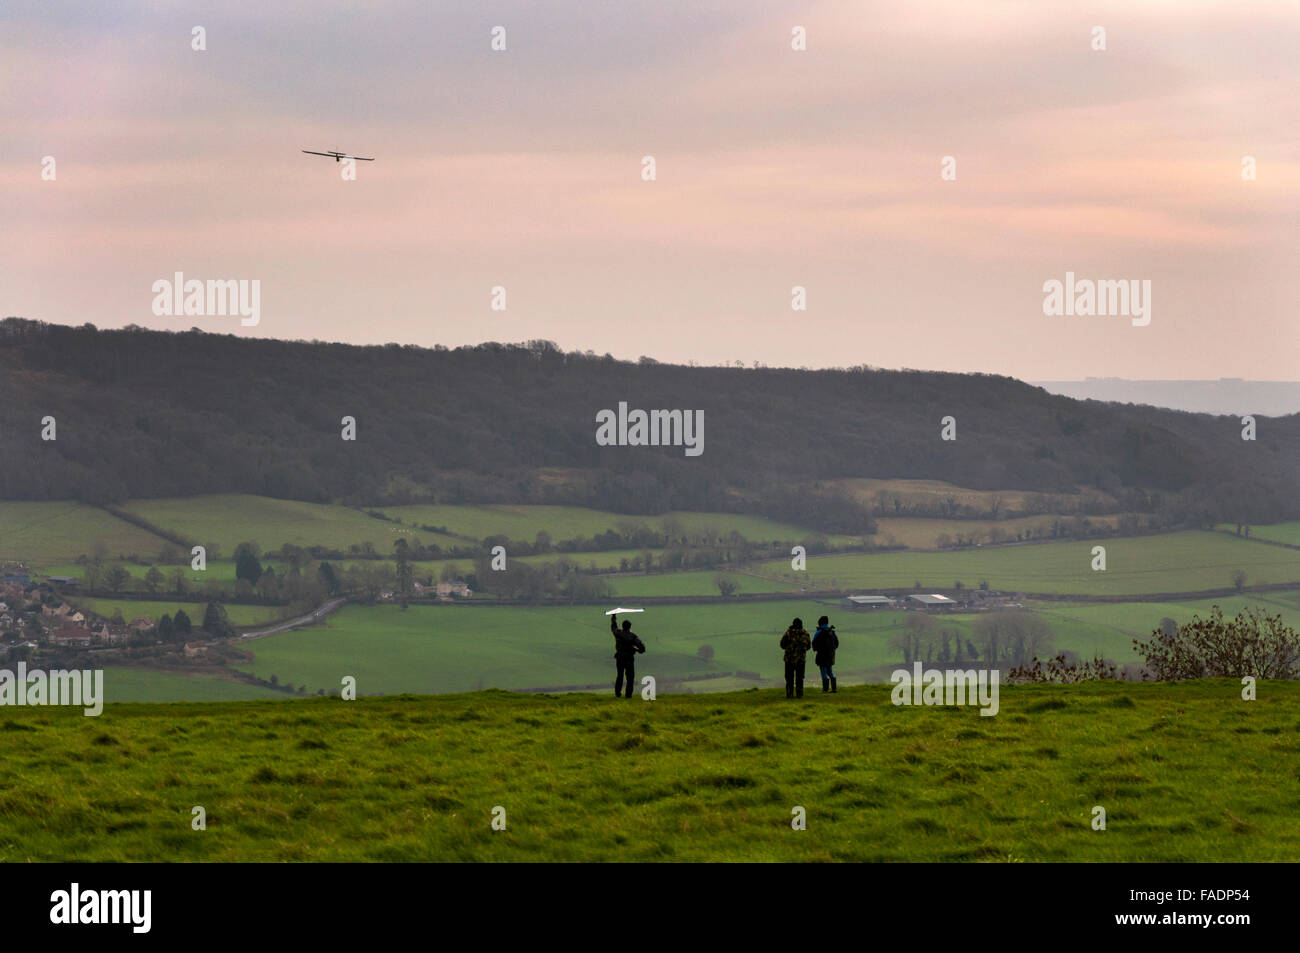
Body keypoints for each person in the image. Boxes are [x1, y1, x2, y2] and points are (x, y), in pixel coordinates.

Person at [610, 613, 646, 698]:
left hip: (619, 657)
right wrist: (635, 649)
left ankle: (618, 693)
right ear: (630, 627)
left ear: (622, 626)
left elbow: (613, 627)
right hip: (629, 658)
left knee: (620, 675)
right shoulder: (633, 636)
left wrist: (613, 617)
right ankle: (628, 694)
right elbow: (642, 648)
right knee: (630, 677)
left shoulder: (618, 633)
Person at [779, 617, 812, 699]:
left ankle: (789, 694)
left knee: (789, 677)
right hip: (801, 659)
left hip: (789, 659)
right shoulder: (806, 634)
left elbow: (782, 644)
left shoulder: (788, 633)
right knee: (800, 677)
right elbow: (808, 646)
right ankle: (799, 694)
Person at [812, 615, 839, 693]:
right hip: (831, 654)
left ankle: (825, 690)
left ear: (820, 623)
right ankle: (834, 689)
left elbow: (814, 643)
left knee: (823, 671)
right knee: (830, 670)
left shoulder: (819, 632)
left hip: (821, 655)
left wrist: (817, 650)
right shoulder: (832, 631)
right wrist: (832, 650)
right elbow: (836, 643)